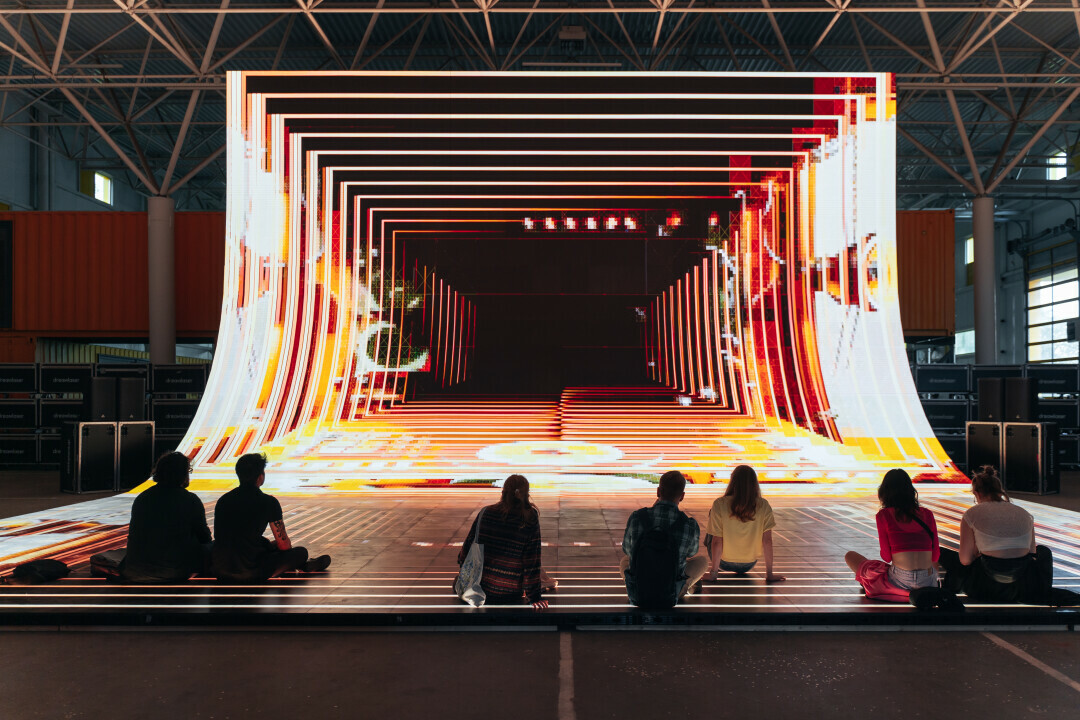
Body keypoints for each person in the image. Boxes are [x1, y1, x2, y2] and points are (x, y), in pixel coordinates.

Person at [938, 466, 1053, 604]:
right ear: (1000, 491)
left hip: (984, 588)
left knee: (943, 554)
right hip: (1020, 586)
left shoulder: (971, 514)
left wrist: (977, 552)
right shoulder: (1024, 514)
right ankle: (1042, 591)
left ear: (977, 493)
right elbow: (1032, 553)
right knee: (1044, 551)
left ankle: (948, 593)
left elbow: (965, 561)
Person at [211, 452, 331, 582]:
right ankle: (304, 565)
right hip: (252, 571)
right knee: (301, 552)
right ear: (260, 477)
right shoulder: (269, 502)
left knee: (266, 545)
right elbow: (284, 545)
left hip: (222, 570)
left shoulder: (223, 501)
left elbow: (222, 538)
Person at [457, 474, 548, 609]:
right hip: (510, 592)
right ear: (526, 494)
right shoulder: (529, 517)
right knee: (541, 573)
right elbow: (531, 560)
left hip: (481, 587)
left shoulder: (486, 512)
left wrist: (464, 571)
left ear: (503, 492)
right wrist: (534, 596)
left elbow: (467, 549)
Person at [119, 451, 212, 584]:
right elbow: (204, 537)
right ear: (183, 474)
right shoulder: (190, 500)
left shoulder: (143, 498)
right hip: (174, 571)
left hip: (136, 570)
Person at [845, 469, 940, 596]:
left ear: (884, 492)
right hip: (928, 581)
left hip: (900, 580)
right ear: (911, 490)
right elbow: (935, 556)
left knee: (850, 556)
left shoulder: (884, 515)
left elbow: (886, 557)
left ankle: (885, 588)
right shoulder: (927, 514)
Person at [621, 470, 708, 608]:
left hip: (639, 592)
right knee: (702, 561)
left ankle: (637, 588)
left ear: (658, 491)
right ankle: (684, 588)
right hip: (669, 593)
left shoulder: (637, 517)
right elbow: (691, 552)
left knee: (625, 561)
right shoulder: (689, 524)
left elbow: (627, 549)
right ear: (682, 496)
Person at [704, 465, 785, 584]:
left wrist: (713, 573)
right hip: (748, 564)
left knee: (714, 528)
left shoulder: (720, 504)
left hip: (723, 562)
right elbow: (767, 541)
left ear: (733, 481)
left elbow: (716, 541)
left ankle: (715, 569)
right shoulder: (763, 505)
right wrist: (769, 574)